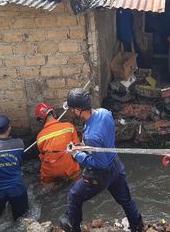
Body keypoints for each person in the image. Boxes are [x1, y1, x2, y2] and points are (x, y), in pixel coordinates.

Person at [60, 88, 143, 232]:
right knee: (125, 200)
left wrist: (76, 155)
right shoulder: (104, 113)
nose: (72, 112)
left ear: (78, 109)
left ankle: (74, 227)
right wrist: (84, 147)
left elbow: (100, 163)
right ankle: (137, 225)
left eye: (73, 109)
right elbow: (103, 142)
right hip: (116, 164)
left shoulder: (91, 135)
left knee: (74, 196)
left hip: (101, 173)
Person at [35, 103, 81, 184]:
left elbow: (42, 155)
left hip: (50, 170)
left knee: (47, 185)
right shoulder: (69, 127)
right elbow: (77, 147)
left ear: (41, 120)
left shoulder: (39, 137)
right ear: (53, 113)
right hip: (69, 166)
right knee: (77, 180)